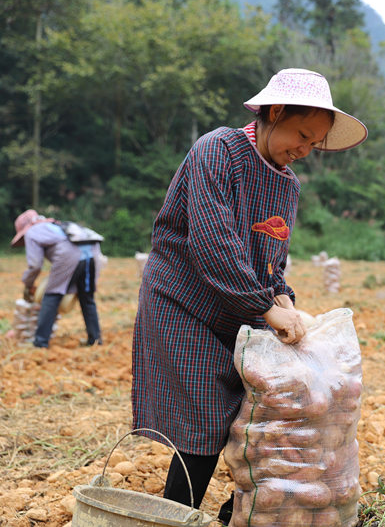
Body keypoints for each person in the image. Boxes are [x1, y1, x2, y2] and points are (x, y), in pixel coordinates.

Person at [131, 68, 367, 523]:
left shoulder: (287, 184)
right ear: (274, 112)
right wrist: (263, 306)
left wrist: (282, 299)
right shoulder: (217, 151)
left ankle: (242, 512)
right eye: (301, 135)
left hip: (240, 301)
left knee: (274, 407)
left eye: (314, 144)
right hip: (184, 300)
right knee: (201, 416)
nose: (304, 150)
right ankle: (173, 515)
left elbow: (273, 259)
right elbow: (213, 240)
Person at [11, 209, 103, 348]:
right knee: (87, 298)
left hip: (69, 254)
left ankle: (40, 342)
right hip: (93, 253)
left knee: (52, 295)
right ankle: (95, 340)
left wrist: (28, 284)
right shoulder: (55, 225)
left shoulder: (31, 232)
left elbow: (35, 265)